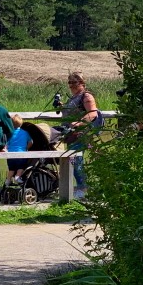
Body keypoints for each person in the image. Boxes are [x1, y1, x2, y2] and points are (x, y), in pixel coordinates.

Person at [60, 71, 102, 200]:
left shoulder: (86, 96)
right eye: (69, 82)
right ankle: (81, 187)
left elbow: (93, 113)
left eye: (74, 82)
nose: (71, 85)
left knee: (76, 160)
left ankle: (83, 188)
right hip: (71, 133)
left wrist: (78, 123)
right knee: (74, 160)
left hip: (81, 133)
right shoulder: (73, 97)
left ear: (82, 83)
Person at [5, 114, 32, 185]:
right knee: (21, 166)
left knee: (11, 169)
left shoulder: (10, 133)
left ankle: (8, 180)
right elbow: (31, 142)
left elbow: (6, 144)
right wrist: (26, 148)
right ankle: (18, 176)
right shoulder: (25, 133)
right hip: (21, 153)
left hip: (10, 154)